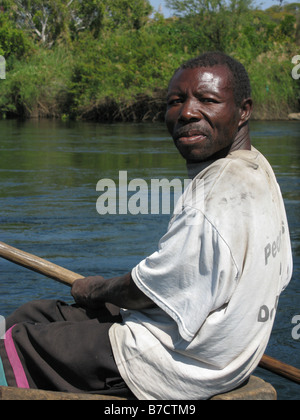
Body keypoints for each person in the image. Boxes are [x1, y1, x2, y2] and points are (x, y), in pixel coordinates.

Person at [0, 52, 293, 400]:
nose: (187, 112)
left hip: (172, 366)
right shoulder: (258, 169)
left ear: (243, 110)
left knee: (15, 341)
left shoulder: (216, 198)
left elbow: (147, 293)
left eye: (208, 100)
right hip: (215, 352)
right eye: (176, 101)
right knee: (30, 314)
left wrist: (95, 289)